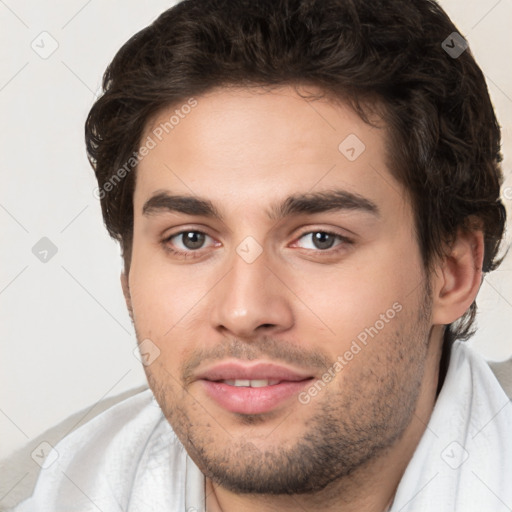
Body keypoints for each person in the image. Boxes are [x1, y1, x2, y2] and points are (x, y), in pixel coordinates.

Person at [10, 0, 511, 510]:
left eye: (321, 239)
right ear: (128, 278)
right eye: (191, 239)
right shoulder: (44, 490)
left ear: (452, 274)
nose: (244, 312)